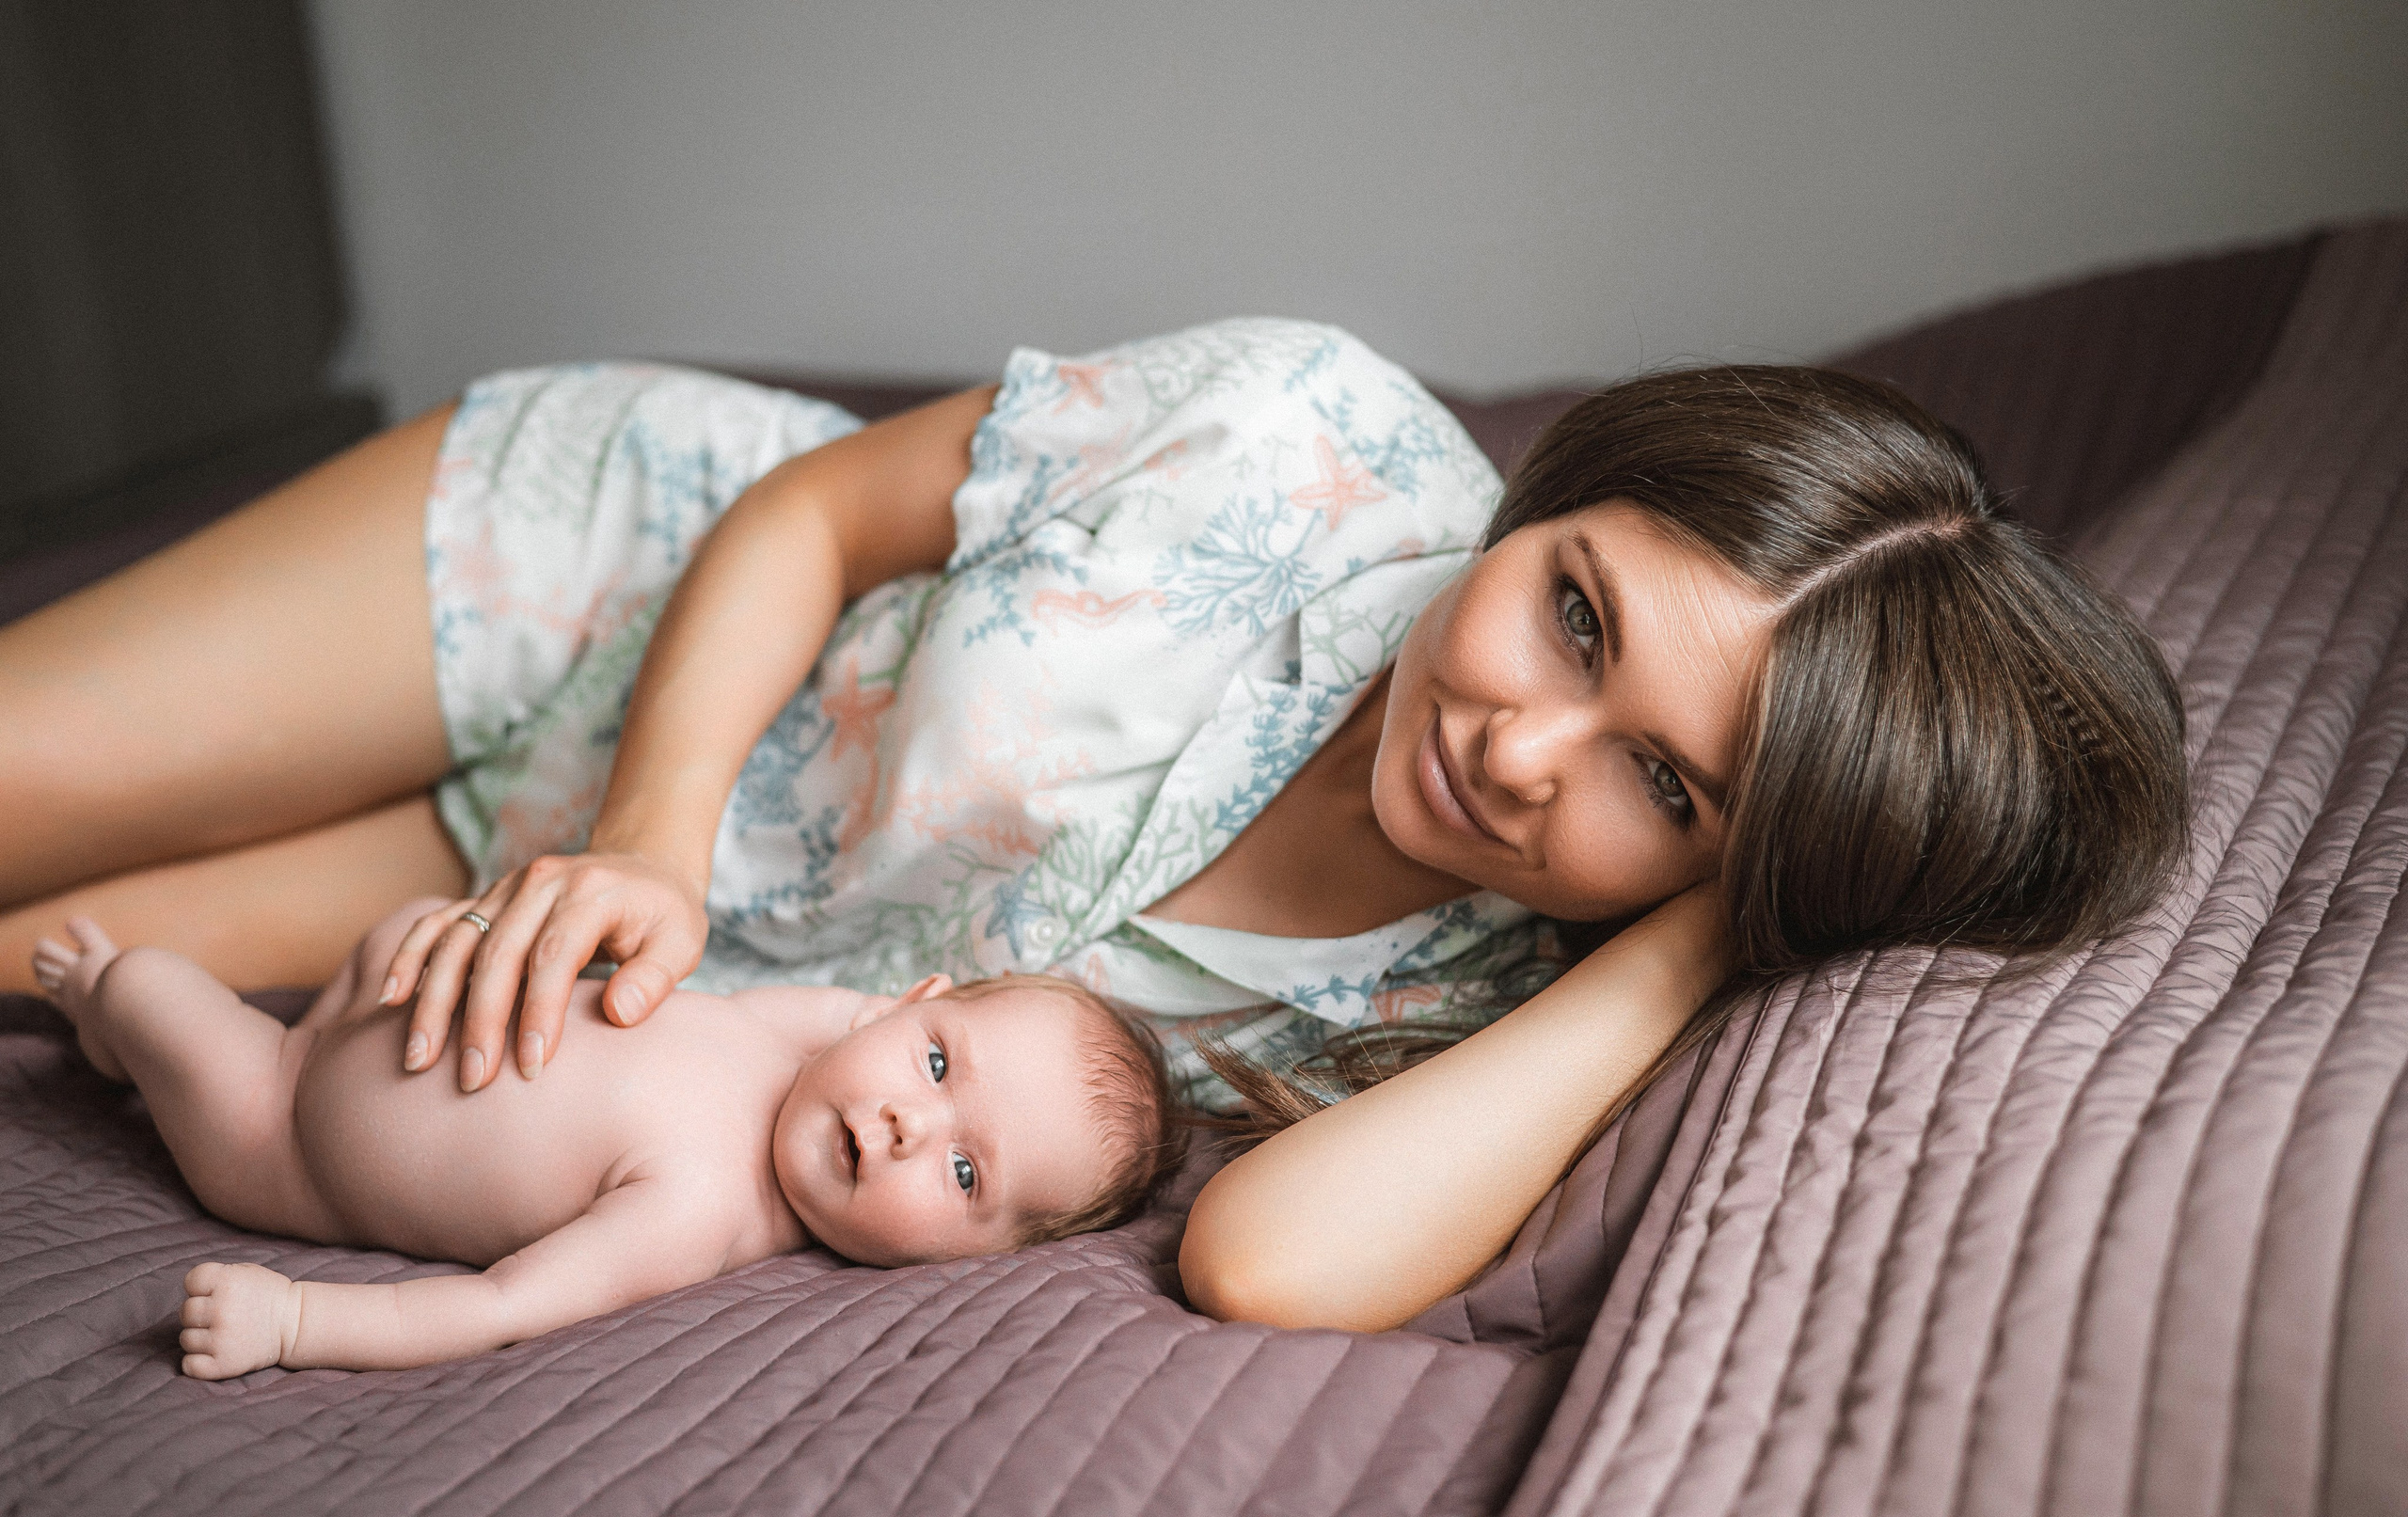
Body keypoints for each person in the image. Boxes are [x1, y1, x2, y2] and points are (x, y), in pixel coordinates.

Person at [0, 320, 2189, 1333]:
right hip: (603, 597)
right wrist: (653, 839)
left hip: (517, 928)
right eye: (1573, 610)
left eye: (1664, 780)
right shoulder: (1293, 430)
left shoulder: (1472, 1004)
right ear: (1546, 499)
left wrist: (1698, 932)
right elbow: (815, 502)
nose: (1523, 747)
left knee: (42, 957)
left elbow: (1261, 1260)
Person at [30, 901, 1177, 1377]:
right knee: (429, 913)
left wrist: (294, 1321)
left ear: (978, 1260)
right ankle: (131, 1027)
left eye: (964, 1170)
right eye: (936, 1062)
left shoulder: (701, 1205)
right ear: (904, 1000)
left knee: (151, 983)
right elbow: (864, 1020)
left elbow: (504, 1305)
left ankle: (102, 1015)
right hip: (384, 999)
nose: (905, 1119)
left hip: (283, 1122)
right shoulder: (805, 1040)